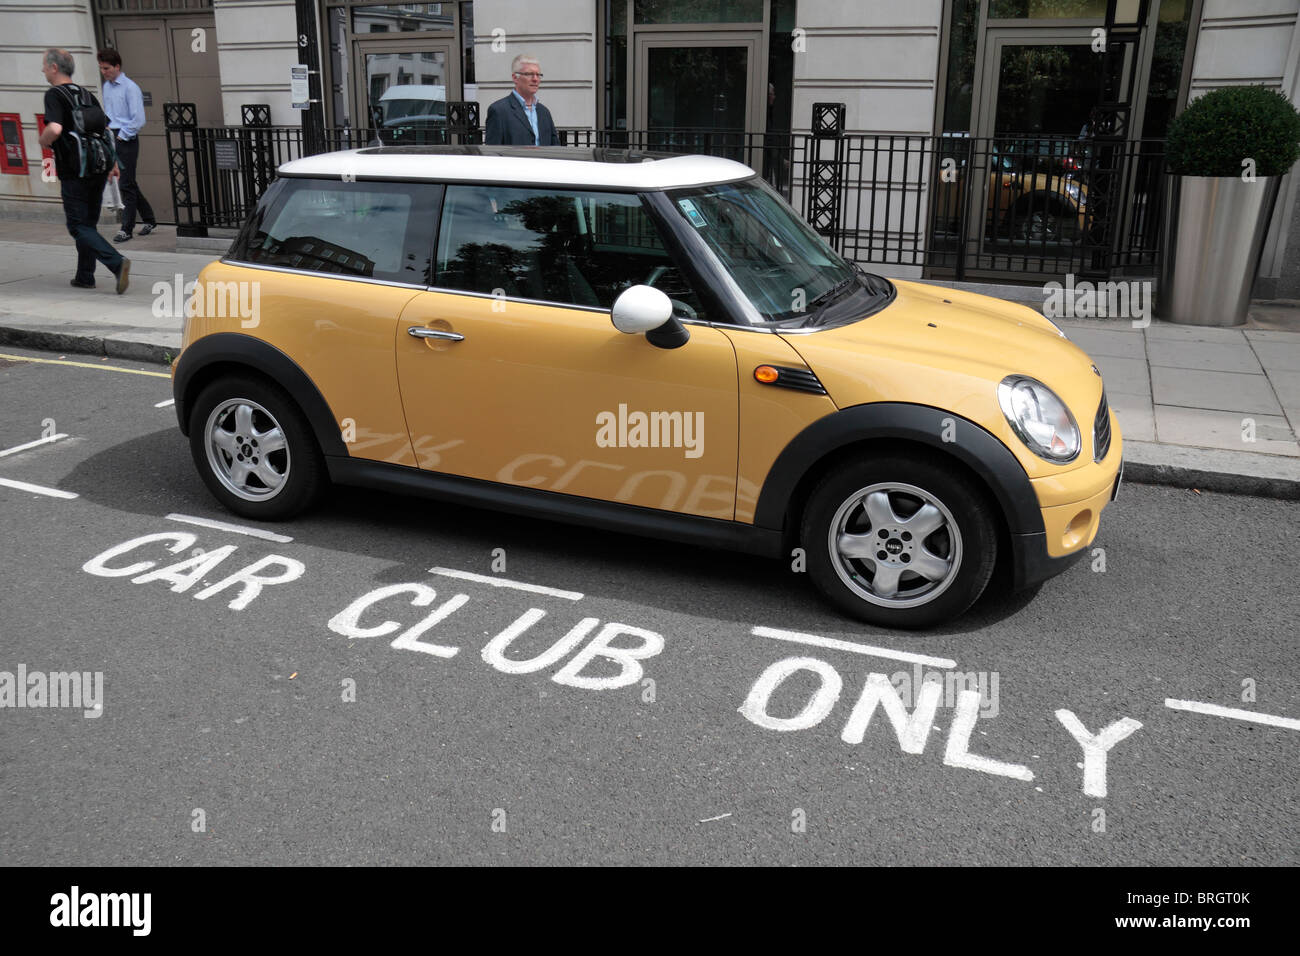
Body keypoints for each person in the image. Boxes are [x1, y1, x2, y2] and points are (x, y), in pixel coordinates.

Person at [39, 48, 129, 293]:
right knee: (88, 224)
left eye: (44, 66)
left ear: (54, 68)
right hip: (98, 168)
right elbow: (105, 130)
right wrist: (112, 164)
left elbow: (55, 129)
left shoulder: (54, 95)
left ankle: (116, 263)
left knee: (78, 226)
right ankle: (85, 276)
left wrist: (43, 140)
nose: (43, 70)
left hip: (74, 170)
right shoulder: (88, 94)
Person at [97, 48, 156, 243]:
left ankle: (126, 228)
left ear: (117, 66)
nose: (104, 72)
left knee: (125, 184)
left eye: (107, 68)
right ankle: (149, 219)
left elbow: (138, 119)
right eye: (101, 68)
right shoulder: (107, 87)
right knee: (128, 182)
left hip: (126, 138)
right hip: (112, 136)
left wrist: (122, 136)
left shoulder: (130, 88)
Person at [485, 55, 560, 146]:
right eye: (529, 74)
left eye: (538, 75)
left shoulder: (544, 112)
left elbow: (555, 148)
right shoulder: (499, 111)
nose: (535, 79)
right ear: (515, 78)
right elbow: (493, 153)